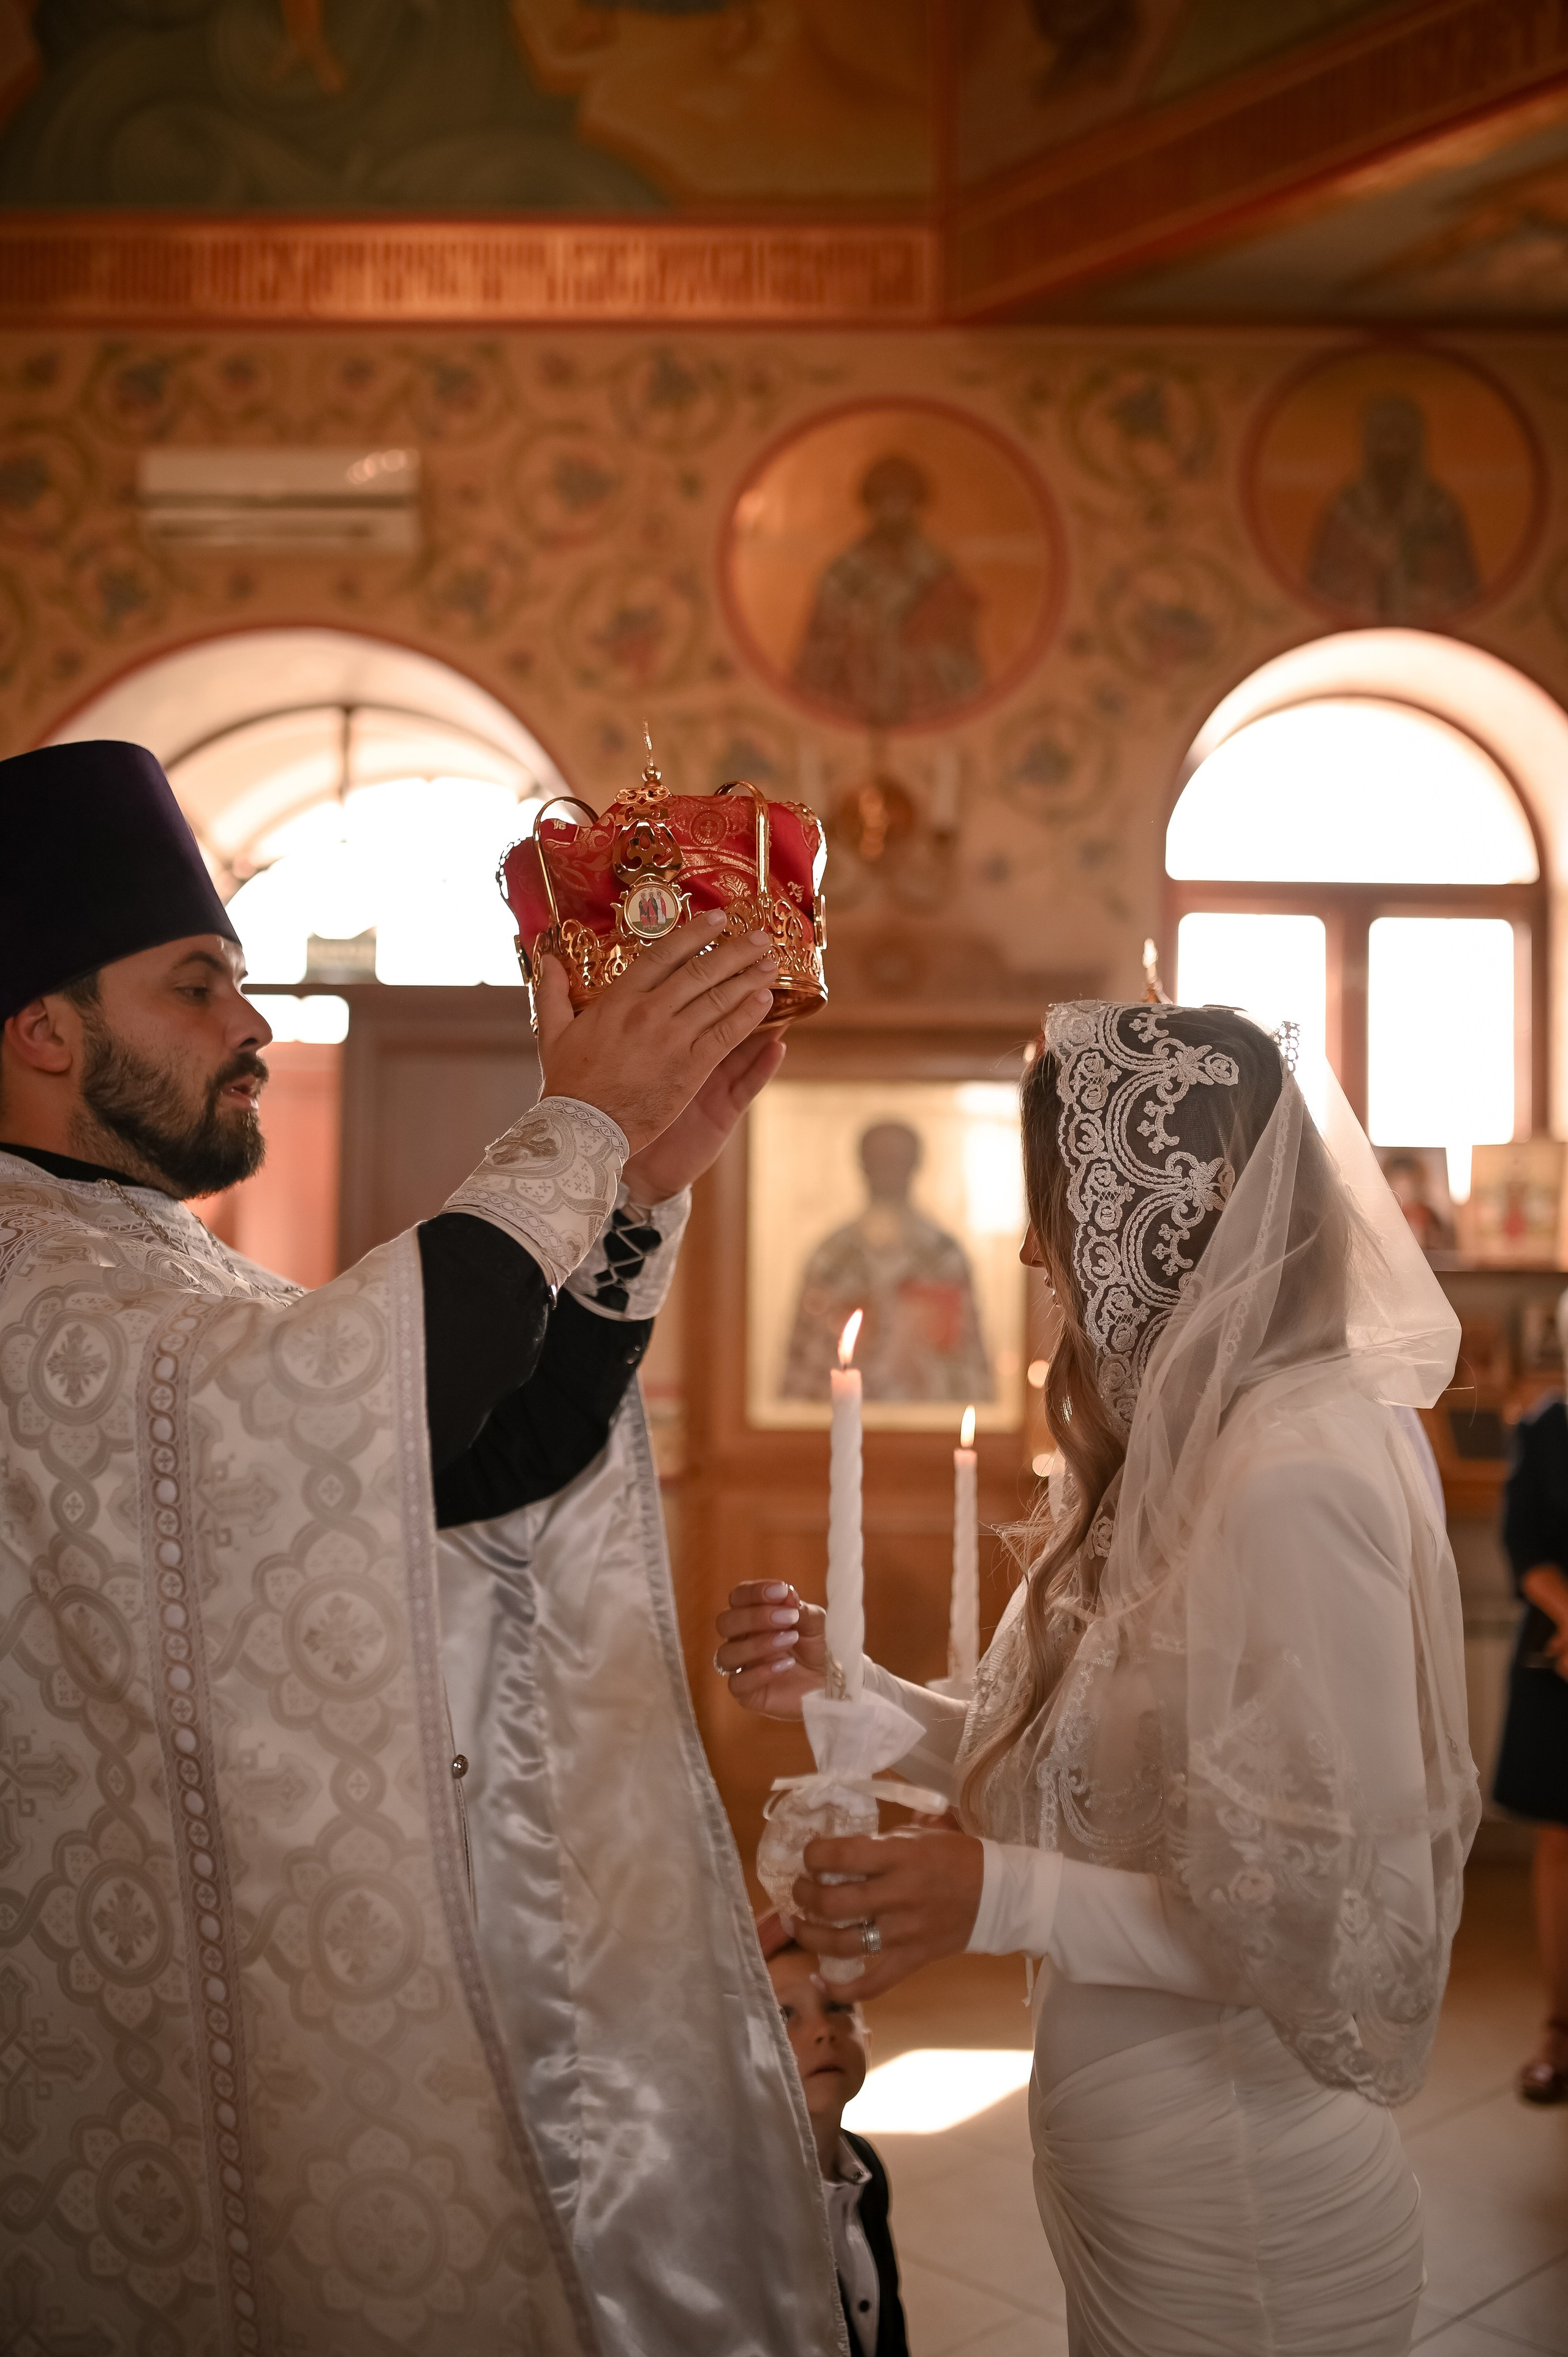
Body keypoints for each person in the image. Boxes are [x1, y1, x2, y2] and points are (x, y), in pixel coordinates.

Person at [0, 741, 844, 2357]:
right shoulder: (29, 1285)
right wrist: (580, 1122)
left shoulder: (152, 1265)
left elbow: (469, 1467)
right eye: (196, 988)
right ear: (43, 1027)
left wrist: (636, 1187)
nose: (253, 1028)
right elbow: (347, 1399)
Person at [718, 1000, 1480, 2356]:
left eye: (1052, 1201)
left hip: (1243, 2212)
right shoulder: (1197, 1446)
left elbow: (1317, 1924)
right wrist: (858, 1691)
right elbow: (1095, 1784)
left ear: (1163, 1207)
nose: (1024, 1244)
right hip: (1148, 2184)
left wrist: (994, 1894)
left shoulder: (1296, 1473)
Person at [759, 1910, 909, 2357]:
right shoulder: (746, 2207)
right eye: (786, 2014)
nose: (823, 2031)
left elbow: (886, 2316)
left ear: (869, 2036)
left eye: (838, 2007)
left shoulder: (866, 2165)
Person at [1494, 1287, 1568, 2104]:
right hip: (1560, 1652)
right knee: (1561, 1838)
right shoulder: (1545, 1428)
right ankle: (1558, 2024)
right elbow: (1526, 1547)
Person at [782, 1119, 991, 1404]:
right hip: (839, 1414)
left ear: (915, 1165)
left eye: (897, 1161)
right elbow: (803, 1364)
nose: (887, 1172)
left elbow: (968, 1362)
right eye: (878, 1161)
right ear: (862, 1165)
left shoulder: (944, 1256)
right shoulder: (832, 1257)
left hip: (925, 1419)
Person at [793, 452, 985, 728]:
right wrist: (857, 639)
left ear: (917, 505)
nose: (895, 511)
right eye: (885, 502)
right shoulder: (844, 572)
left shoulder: (937, 569)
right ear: (871, 506)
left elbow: (962, 651)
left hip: (926, 704)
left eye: (904, 501)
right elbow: (816, 653)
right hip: (855, 699)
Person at [1307, 391, 1479, 622]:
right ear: (1369, 442)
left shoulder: (1440, 508)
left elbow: (1462, 586)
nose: (1393, 448)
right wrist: (1367, 566)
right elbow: (1321, 583)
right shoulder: (1346, 508)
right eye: (1384, 437)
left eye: (1402, 437)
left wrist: (1419, 574)